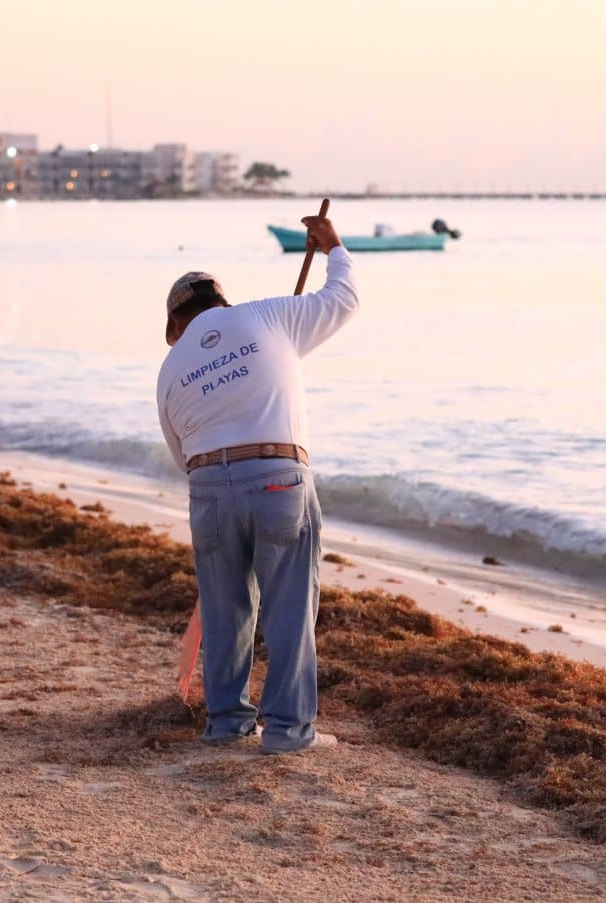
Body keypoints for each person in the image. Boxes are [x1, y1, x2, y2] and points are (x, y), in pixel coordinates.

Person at [155, 213, 357, 755]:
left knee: (225, 608)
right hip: (277, 478)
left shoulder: (171, 367)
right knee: (289, 606)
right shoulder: (267, 315)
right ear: (221, 304)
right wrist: (333, 246)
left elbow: (181, 455)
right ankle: (289, 733)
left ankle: (226, 723)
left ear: (176, 324)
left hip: (209, 489)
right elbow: (342, 299)